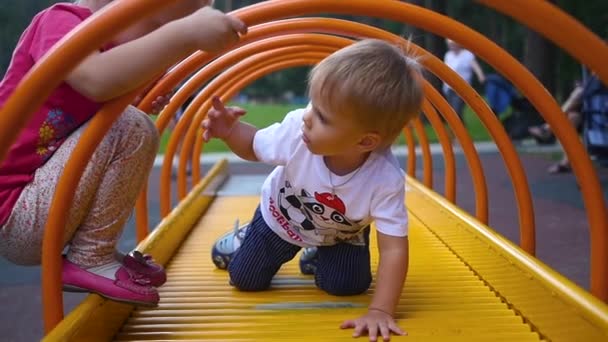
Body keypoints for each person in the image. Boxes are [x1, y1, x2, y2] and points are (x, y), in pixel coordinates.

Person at [0, 0, 247, 306]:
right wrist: (183, 34)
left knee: (130, 123)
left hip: (45, 205)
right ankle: (91, 256)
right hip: (15, 209)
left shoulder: (108, 46)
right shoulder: (60, 21)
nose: (205, 5)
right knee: (129, 125)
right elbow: (97, 80)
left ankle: (93, 253)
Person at [204, 39, 423, 341]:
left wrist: (382, 310)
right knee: (245, 278)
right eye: (312, 105)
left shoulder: (384, 179)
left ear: (365, 142)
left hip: (341, 234)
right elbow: (255, 146)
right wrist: (230, 132)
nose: (307, 116)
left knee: (347, 286)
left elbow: (394, 248)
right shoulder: (297, 131)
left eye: (322, 116)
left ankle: (317, 255)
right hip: (279, 220)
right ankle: (245, 237)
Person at [528, 73, 608, 173]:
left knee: (580, 92)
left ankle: (548, 127)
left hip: (601, 115)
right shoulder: (596, 82)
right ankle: (567, 161)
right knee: (573, 117)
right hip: (598, 116)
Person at [442, 39, 486, 122]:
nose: (451, 46)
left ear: (458, 44)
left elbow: (475, 66)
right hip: (449, 88)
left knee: (456, 111)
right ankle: (458, 133)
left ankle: (459, 133)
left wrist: (481, 75)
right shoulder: (448, 55)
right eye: (449, 44)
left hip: (462, 89)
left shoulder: (467, 55)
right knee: (452, 113)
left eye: (453, 44)